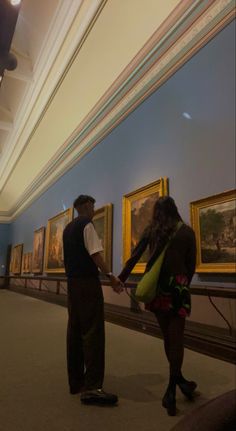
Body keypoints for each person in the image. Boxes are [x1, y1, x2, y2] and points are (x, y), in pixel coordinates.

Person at [118, 196, 197, 416]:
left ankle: (177, 383)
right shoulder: (187, 232)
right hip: (178, 288)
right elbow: (191, 265)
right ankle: (173, 388)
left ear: (157, 213)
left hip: (158, 290)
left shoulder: (152, 230)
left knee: (168, 337)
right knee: (176, 338)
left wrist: (121, 279)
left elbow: (134, 257)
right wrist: (183, 283)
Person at [63, 195, 123, 406]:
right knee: (93, 333)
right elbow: (96, 254)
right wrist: (111, 276)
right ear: (87, 206)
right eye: (93, 206)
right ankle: (93, 388)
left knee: (75, 331)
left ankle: (76, 382)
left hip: (73, 285)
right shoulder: (86, 224)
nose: (94, 210)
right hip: (88, 285)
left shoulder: (68, 228)